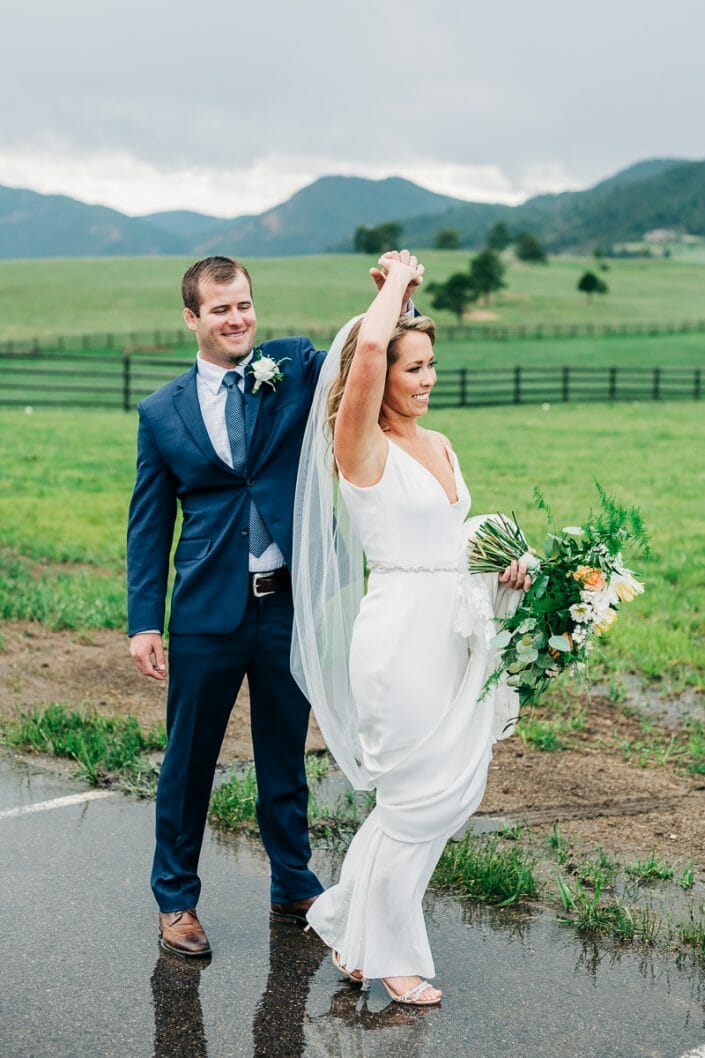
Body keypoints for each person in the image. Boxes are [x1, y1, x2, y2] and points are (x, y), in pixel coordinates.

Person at [127, 255, 418, 958]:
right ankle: (176, 901)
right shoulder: (162, 411)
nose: (237, 319)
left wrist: (396, 299)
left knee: (283, 758)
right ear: (192, 318)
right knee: (187, 762)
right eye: (221, 309)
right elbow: (148, 522)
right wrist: (143, 620)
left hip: (286, 606)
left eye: (245, 306)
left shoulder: (289, 366)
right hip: (203, 612)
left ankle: (292, 882)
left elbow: (363, 359)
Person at [291, 253, 531, 1005]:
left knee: (442, 797)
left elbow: (451, 545)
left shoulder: (441, 443)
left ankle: (343, 921)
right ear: (378, 377)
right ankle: (391, 954)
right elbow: (366, 346)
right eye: (412, 368)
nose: (426, 379)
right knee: (415, 801)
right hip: (396, 641)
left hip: (451, 635)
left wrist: (505, 566)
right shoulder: (358, 447)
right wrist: (395, 281)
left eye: (431, 364)